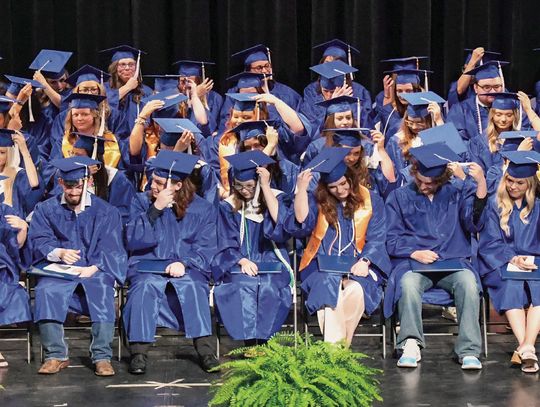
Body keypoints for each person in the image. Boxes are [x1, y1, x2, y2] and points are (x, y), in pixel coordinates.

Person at [385, 142, 488, 369]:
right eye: (420, 181)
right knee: (408, 284)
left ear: (441, 180)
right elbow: (391, 239)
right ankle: (410, 343)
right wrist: (414, 252)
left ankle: (469, 350)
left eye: (429, 183)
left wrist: (480, 183)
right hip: (415, 264)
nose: (423, 186)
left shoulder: (456, 194)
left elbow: (474, 224)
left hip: (453, 262)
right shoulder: (399, 197)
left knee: (469, 284)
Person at [28, 156, 127, 376]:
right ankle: (56, 355)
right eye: (69, 187)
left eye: (78, 186)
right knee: (46, 290)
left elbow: (112, 246)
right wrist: (58, 252)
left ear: (88, 182)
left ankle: (101, 356)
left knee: (101, 290)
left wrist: (96, 267)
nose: (73, 192)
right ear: (61, 183)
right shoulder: (46, 209)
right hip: (60, 270)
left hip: (94, 269)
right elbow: (39, 239)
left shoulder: (106, 211)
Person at [122, 150, 219, 374]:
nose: (151, 186)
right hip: (147, 266)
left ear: (175, 185)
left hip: (188, 267)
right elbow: (132, 240)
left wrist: (185, 263)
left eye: (157, 182)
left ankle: (206, 351)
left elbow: (206, 246)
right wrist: (155, 209)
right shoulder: (140, 202)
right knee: (144, 287)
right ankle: (138, 353)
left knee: (194, 287)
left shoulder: (202, 208)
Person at [285, 148, 390, 345]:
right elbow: (300, 221)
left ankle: (334, 350)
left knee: (357, 290)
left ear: (351, 179)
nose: (340, 190)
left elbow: (378, 236)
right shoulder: (318, 201)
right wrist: (301, 189)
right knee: (328, 287)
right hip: (321, 266)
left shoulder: (372, 199)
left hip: (358, 264)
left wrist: (366, 261)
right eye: (333, 187)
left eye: (343, 183)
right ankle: (338, 351)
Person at [212, 150, 293, 346]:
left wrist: (264, 190)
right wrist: (241, 260)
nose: (244, 190)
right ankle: (249, 342)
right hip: (239, 261)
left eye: (249, 186)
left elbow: (282, 229)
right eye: (238, 186)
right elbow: (223, 240)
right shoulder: (228, 207)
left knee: (268, 287)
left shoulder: (276, 199)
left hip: (271, 259)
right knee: (242, 285)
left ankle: (264, 342)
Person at [478, 150, 540, 373]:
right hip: (501, 263)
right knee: (510, 284)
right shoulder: (495, 206)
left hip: (535, 263)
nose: (513, 186)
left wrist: (529, 259)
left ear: (530, 184)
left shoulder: (539, 207)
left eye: (519, 183)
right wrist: (513, 257)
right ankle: (528, 348)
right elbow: (489, 242)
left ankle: (526, 347)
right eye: (510, 180)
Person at [0, 196, 31, 368]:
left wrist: (23, 229)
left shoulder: (5, 211)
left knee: (14, 293)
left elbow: (15, 248)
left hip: (3, 272)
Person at [100, 45, 153, 133]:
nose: (127, 68)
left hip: (138, 141)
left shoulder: (146, 91)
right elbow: (103, 106)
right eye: (122, 65)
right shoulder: (104, 88)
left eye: (131, 64)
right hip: (111, 142)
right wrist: (128, 87)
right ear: (115, 68)